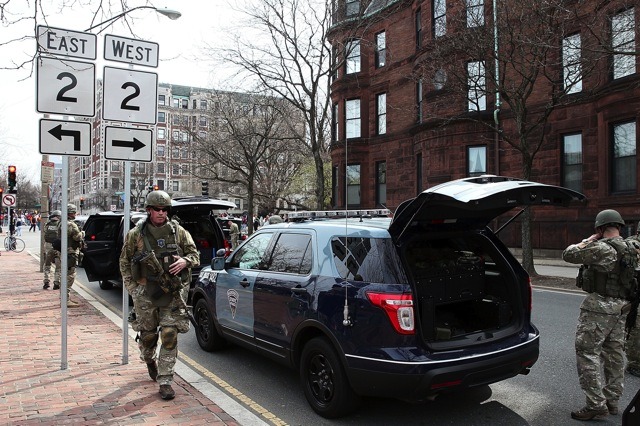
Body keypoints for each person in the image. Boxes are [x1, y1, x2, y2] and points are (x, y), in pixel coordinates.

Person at [119, 190, 199, 401]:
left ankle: (165, 380)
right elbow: (124, 262)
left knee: (170, 336)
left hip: (171, 294)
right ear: (149, 210)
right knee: (148, 337)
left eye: (165, 210)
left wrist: (185, 261)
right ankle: (149, 360)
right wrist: (132, 289)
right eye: (158, 209)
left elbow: (195, 255)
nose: (162, 213)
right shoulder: (136, 234)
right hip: (145, 294)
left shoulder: (178, 232)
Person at [562, 209, 637, 421]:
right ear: (620, 226)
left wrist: (589, 239)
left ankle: (595, 404)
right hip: (622, 307)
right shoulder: (632, 247)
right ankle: (612, 401)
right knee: (614, 353)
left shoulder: (601, 248)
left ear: (600, 228)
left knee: (587, 352)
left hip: (600, 307)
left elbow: (568, 254)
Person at [62, 204, 85, 307]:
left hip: (63, 252)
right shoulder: (71, 224)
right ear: (70, 213)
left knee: (65, 275)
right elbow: (77, 237)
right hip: (70, 252)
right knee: (70, 276)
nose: (75, 214)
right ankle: (65, 300)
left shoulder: (61, 223)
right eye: (74, 212)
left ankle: (64, 298)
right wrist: (83, 233)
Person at [42, 210, 62, 290]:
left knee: (47, 264)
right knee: (58, 265)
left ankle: (46, 281)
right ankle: (56, 282)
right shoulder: (60, 224)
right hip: (58, 246)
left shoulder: (47, 224)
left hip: (48, 245)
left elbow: (45, 232)